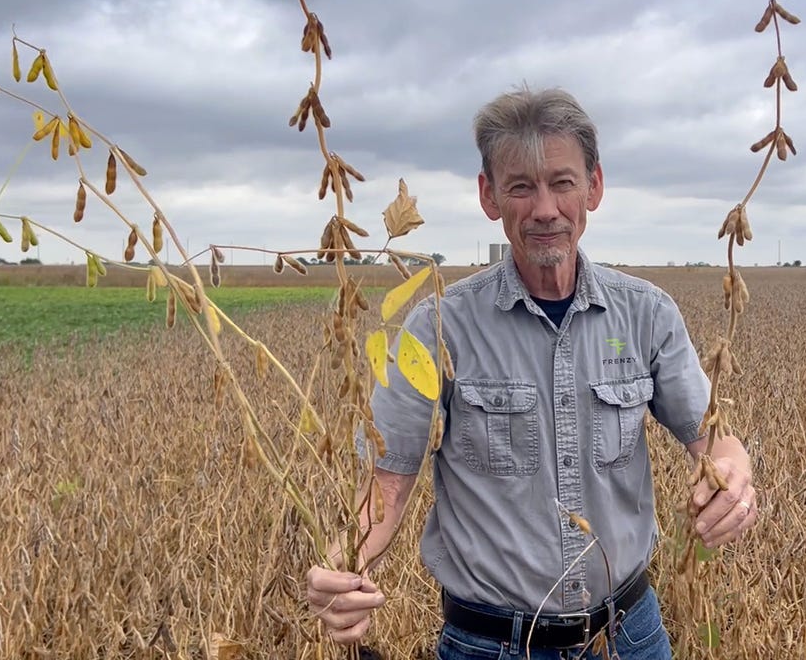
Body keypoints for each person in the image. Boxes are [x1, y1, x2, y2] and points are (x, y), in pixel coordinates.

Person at [306, 87, 759, 659]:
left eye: (562, 182)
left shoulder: (647, 315)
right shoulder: (438, 329)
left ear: (593, 188)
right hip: (490, 646)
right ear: (489, 196)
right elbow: (386, 487)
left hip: (629, 637)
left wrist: (733, 474)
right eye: (521, 186)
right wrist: (343, 570)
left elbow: (716, 442)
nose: (545, 207)